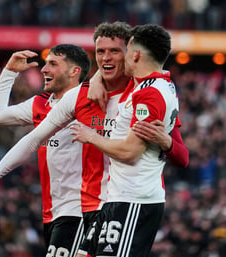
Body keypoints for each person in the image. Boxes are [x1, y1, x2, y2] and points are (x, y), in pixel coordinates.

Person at [0, 22, 188, 256]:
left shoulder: (142, 93)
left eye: (114, 51)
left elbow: (182, 156)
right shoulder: (81, 95)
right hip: (89, 207)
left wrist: (166, 142)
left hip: (125, 201)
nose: (106, 58)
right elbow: (33, 138)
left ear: (130, 54)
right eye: (101, 51)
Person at [0, 44, 92, 257]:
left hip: (81, 209)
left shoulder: (89, 103)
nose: (44, 69)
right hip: (52, 211)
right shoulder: (40, 104)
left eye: (53, 64)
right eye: (46, 64)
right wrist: (10, 72)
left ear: (74, 72)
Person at [71, 24, 180, 257]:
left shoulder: (149, 94)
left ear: (136, 54)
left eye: (125, 51)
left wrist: (90, 136)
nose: (121, 58)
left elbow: (130, 152)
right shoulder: (155, 85)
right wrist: (97, 77)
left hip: (134, 199)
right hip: (116, 197)